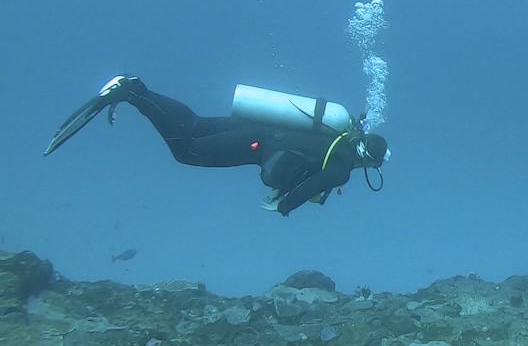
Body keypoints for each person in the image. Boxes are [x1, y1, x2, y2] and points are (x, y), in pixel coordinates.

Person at [43, 75, 390, 216]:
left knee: (192, 125)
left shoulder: (341, 135)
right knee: (187, 151)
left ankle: (136, 90)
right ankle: (132, 91)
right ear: (370, 163)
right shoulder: (343, 167)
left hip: (256, 127)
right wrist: (285, 205)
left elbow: (307, 167)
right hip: (255, 144)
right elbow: (315, 183)